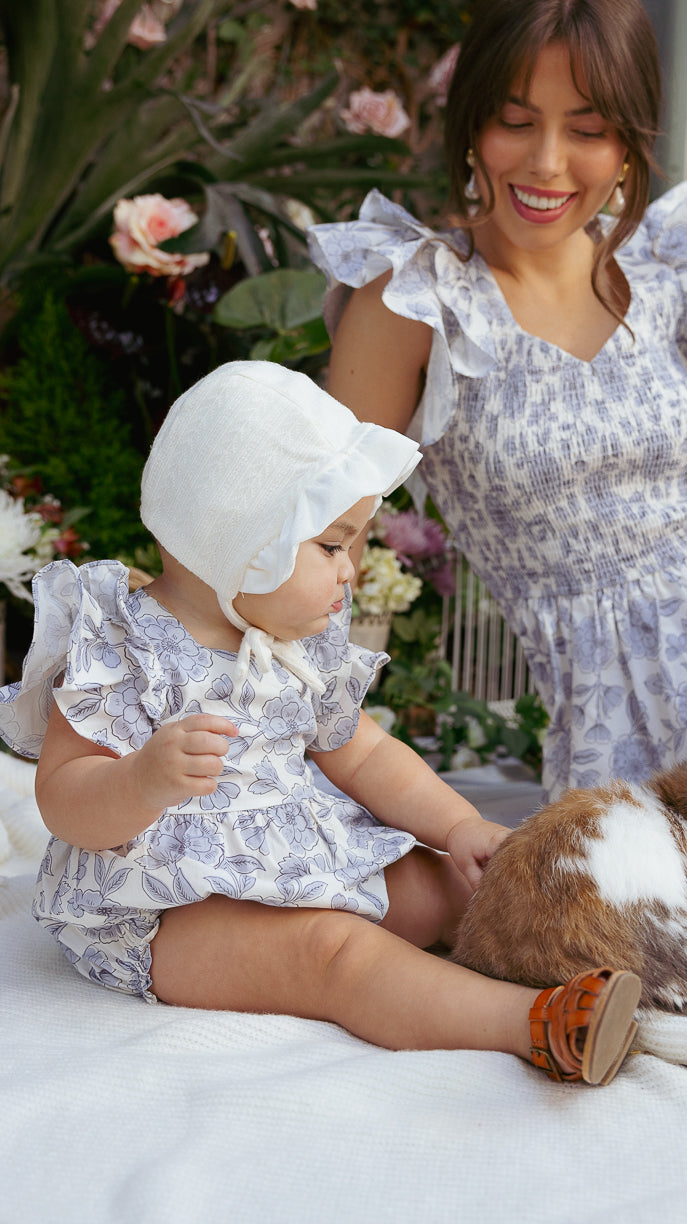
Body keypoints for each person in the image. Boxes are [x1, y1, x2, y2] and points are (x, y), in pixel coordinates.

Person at [307, 0, 687, 1032]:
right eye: (513, 119)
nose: (546, 162)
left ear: (631, 138)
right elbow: (316, 536)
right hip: (630, 727)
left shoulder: (680, 266)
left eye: (587, 127)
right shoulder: (417, 300)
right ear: (467, 128)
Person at [0, 360, 641, 1086]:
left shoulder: (293, 644)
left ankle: (611, 955)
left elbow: (363, 756)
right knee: (334, 956)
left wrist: (459, 826)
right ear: (236, 536)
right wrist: (141, 780)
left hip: (300, 860)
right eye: (332, 546)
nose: (350, 571)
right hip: (165, 910)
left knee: (445, 886)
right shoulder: (120, 643)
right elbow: (61, 796)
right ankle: (539, 1025)